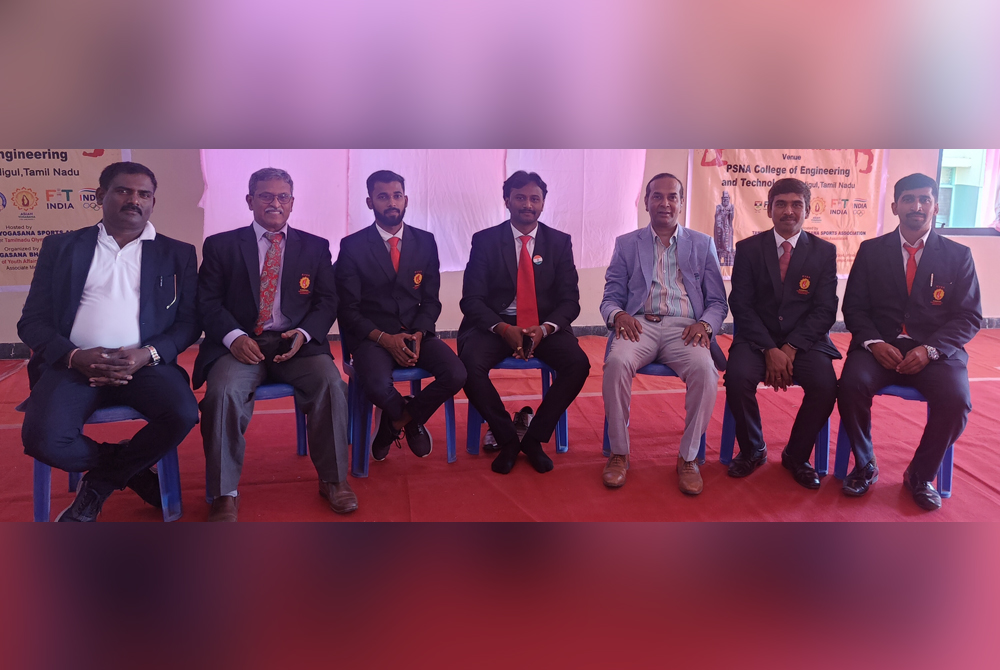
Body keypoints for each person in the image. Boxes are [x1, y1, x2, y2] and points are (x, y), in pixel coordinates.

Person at [18, 161, 200, 521]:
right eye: (123, 191)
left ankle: (100, 484)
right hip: (73, 366)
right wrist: (74, 356)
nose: (134, 200)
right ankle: (129, 469)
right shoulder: (61, 247)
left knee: (182, 414)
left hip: (144, 365)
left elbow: (189, 323)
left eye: (144, 194)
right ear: (101, 195)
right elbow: (32, 321)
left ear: (153, 202)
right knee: (43, 440)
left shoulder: (177, 253)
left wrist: (147, 354)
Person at [195, 167, 356, 521]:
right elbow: (207, 302)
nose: (275, 203)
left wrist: (305, 334)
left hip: (294, 345)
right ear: (250, 200)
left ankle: (334, 480)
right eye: (266, 195)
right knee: (223, 393)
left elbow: (327, 300)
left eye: (283, 196)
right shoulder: (221, 246)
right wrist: (234, 337)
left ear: (292, 202)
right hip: (240, 346)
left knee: (331, 384)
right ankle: (224, 493)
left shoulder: (315, 247)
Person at [838, 173, 981, 510]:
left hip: (935, 351)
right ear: (895, 206)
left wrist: (930, 350)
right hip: (879, 348)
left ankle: (920, 475)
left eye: (924, 199)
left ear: (935, 206)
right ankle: (865, 464)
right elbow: (854, 307)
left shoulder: (958, 255)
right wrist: (874, 343)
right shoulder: (871, 251)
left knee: (957, 401)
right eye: (908, 199)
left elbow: (969, 316)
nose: (917, 206)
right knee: (850, 386)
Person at [600, 173, 727, 494]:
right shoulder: (627, 244)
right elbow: (610, 297)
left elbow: (717, 302)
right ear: (646, 202)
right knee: (616, 363)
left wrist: (705, 325)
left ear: (681, 203)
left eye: (672, 197)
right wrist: (618, 315)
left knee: (705, 371)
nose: (665, 203)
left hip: (686, 329)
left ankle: (688, 457)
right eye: (657, 196)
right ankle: (619, 453)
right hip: (638, 325)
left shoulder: (702, 244)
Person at [458, 170, 591, 475]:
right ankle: (507, 438)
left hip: (543, 326)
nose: (527, 204)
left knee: (578, 364)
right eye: (520, 197)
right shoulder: (485, 241)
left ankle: (533, 438)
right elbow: (472, 300)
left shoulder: (559, 242)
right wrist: (503, 329)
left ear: (543, 203)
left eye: (534, 198)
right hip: (496, 324)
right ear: (507, 200)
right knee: (467, 366)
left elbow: (570, 301)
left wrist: (544, 329)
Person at [335, 170, 466, 461]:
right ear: (370, 202)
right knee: (376, 386)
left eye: (397, 196)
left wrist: (418, 334)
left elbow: (431, 301)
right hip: (372, 338)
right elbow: (348, 309)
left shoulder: (425, 241)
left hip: (415, 333)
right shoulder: (353, 247)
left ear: (406, 200)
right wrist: (385, 338)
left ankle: (394, 423)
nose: (391, 202)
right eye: (383, 196)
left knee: (457, 373)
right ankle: (410, 418)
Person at [724, 178, 840, 489]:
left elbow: (825, 310)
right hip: (756, 340)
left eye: (796, 204)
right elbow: (741, 305)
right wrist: (769, 349)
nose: (789, 211)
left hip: (806, 343)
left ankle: (797, 455)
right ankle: (753, 449)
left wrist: (790, 347)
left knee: (825, 386)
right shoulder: (748, 249)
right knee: (737, 378)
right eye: (781, 204)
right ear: (769, 209)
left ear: (807, 210)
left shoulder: (824, 252)